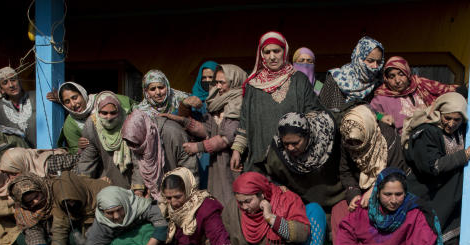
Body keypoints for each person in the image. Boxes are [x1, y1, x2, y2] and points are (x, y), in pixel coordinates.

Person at [403, 92, 470, 245]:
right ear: (439, 112)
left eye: (457, 120)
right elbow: (432, 166)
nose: (451, 123)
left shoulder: (462, 130)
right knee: (426, 232)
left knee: (451, 232)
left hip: (449, 194)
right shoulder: (426, 132)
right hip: (427, 193)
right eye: (448, 118)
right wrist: (466, 154)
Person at [327, 167, 450, 245]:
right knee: (340, 208)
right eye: (388, 194)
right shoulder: (365, 208)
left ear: (405, 192)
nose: (393, 200)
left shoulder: (413, 212)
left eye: (398, 194)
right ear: (377, 193)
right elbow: (347, 233)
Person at [231, 31, 323, 171]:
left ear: (284, 52)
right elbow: (244, 121)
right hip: (260, 160)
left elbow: (314, 114)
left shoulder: (299, 80)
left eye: (276, 51)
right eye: (267, 52)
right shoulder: (253, 85)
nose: (272, 57)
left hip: (294, 160)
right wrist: (237, 151)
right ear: (262, 55)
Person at [7, 171, 110, 245]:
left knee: (77, 238)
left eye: (36, 196)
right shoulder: (24, 210)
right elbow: (33, 230)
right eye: (29, 202)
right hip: (49, 237)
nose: (36, 202)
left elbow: (61, 226)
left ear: (40, 189)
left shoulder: (56, 191)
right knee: (22, 240)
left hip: (69, 230)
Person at [230, 171, 325, 245]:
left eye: (248, 201)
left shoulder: (285, 199)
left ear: (261, 194)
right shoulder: (235, 210)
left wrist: (271, 218)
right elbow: (221, 235)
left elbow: (302, 235)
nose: (244, 207)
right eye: (240, 202)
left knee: (314, 209)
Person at [154, 168, 243, 245]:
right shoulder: (168, 208)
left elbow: (218, 235)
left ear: (188, 189)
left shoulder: (206, 206)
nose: (173, 202)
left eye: (177, 197)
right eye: (168, 198)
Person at [259, 110, 345, 208]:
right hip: (306, 206)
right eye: (286, 143)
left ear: (308, 135)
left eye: (295, 143)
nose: (290, 148)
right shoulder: (278, 154)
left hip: (342, 199)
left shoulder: (326, 136)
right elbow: (268, 175)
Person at [82, 186, 169, 245]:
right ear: (102, 212)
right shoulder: (101, 224)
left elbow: (162, 223)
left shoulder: (139, 206)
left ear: (125, 202)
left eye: (119, 209)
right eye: (110, 213)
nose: (116, 216)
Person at [369, 56, 459, 133]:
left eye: (401, 74)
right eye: (392, 76)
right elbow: (370, 112)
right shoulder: (381, 97)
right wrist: (382, 116)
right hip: (402, 147)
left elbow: (446, 91)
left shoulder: (420, 85)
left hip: (429, 139)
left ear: (408, 74)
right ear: (386, 79)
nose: (397, 80)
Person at [201, 64, 247, 208]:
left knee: (235, 204)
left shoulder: (240, 104)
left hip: (233, 163)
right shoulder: (216, 103)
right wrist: (184, 120)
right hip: (216, 164)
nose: (218, 86)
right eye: (217, 82)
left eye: (222, 82)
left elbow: (229, 136)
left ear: (234, 82)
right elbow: (206, 130)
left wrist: (197, 147)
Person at [122, 108, 196, 198]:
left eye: (134, 144)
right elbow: (139, 165)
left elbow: (190, 170)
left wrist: (188, 197)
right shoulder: (137, 140)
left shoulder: (173, 133)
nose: (133, 146)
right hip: (154, 193)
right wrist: (138, 190)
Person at [52, 81, 132, 154]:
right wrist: (80, 147)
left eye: (74, 98)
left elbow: (134, 107)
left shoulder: (104, 99)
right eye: (67, 102)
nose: (73, 104)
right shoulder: (70, 124)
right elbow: (74, 151)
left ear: (82, 93)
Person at [77, 91, 135, 188]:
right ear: (97, 111)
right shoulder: (92, 125)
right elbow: (88, 158)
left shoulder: (129, 123)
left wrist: (139, 187)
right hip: (107, 176)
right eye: (104, 113)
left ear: (119, 111)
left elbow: (138, 158)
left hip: (131, 175)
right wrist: (83, 184)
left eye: (113, 113)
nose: (109, 117)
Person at [318, 36, 384, 114]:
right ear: (358, 59)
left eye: (379, 62)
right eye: (370, 61)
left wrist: (379, 117)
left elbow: (378, 114)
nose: (375, 66)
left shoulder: (378, 82)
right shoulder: (336, 79)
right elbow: (328, 113)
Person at [0, 67, 37, 146]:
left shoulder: (36, 96)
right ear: (1, 89)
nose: (11, 85)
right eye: (5, 82)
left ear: (19, 81)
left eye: (13, 80)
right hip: (19, 155)